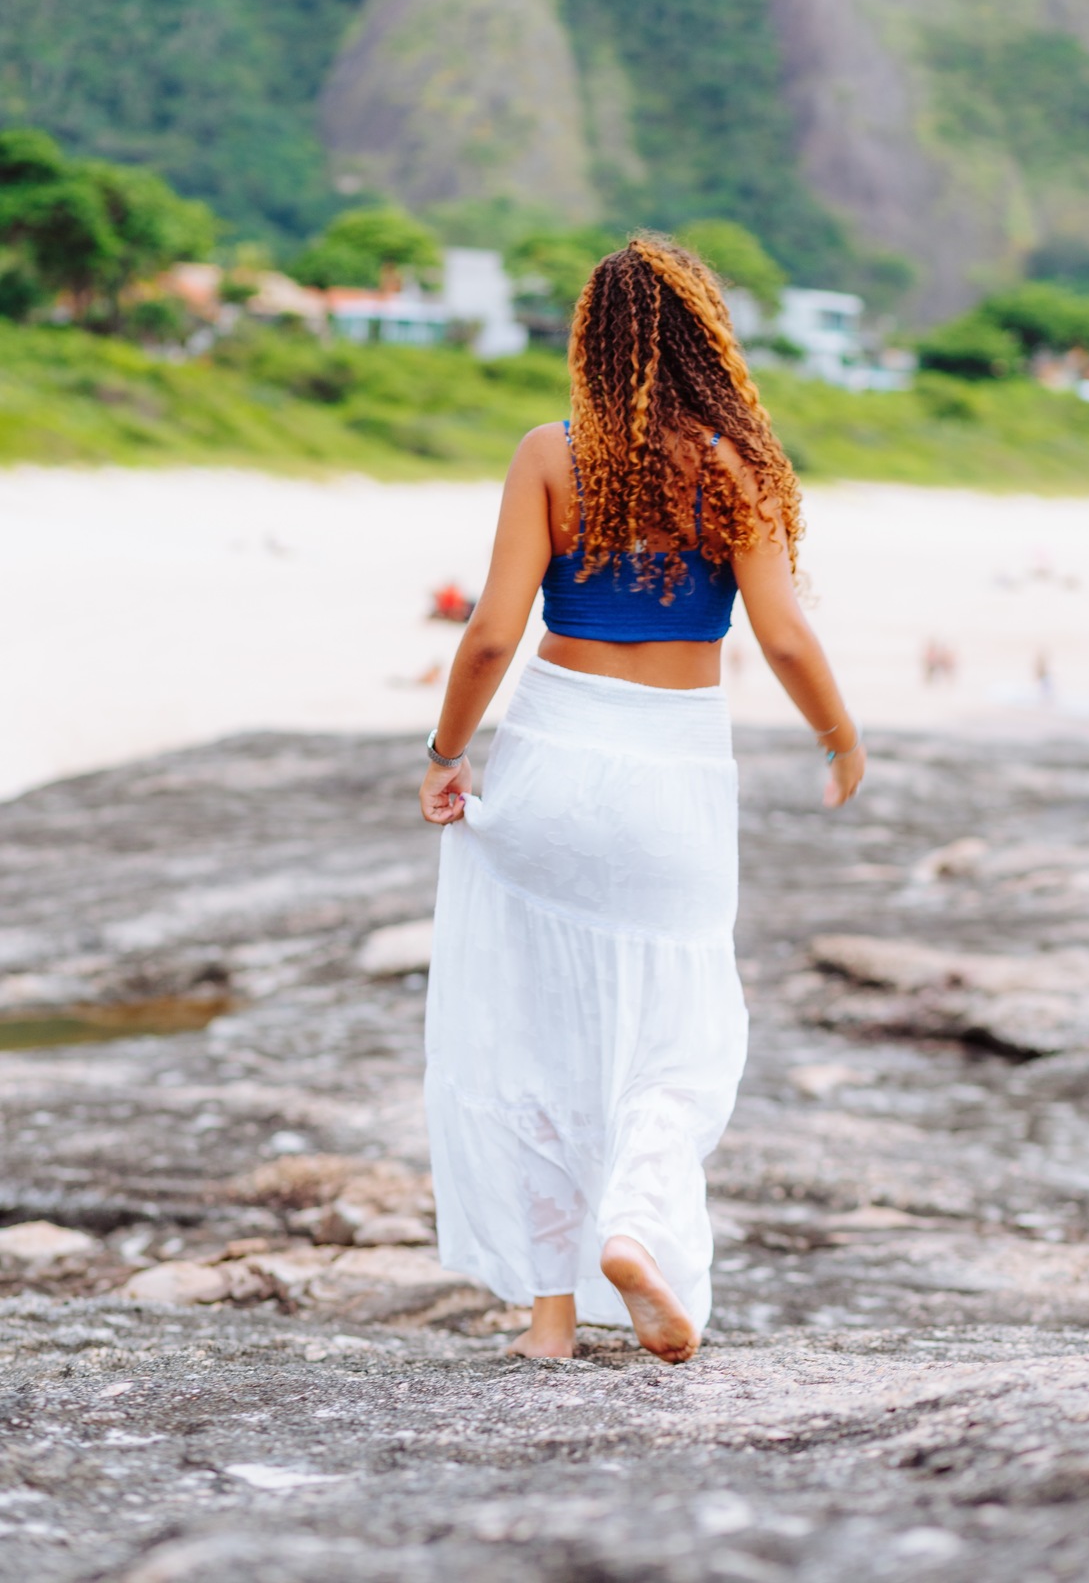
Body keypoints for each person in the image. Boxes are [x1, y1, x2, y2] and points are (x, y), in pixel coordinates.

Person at [418, 236, 865, 1365]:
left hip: (548, 763)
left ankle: (549, 1323)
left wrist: (445, 753)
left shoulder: (548, 456)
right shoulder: (735, 464)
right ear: (705, 340)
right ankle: (636, 1226)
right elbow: (784, 635)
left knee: (533, 1030)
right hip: (673, 777)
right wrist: (839, 735)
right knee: (681, 1030)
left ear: (592, 340)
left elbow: (490, 635)